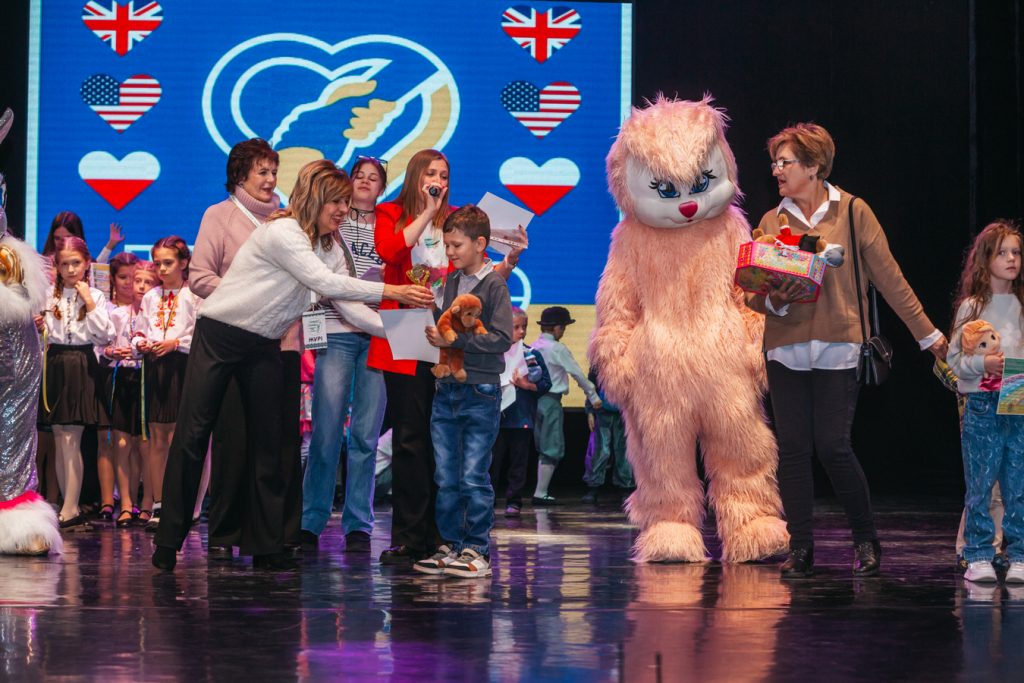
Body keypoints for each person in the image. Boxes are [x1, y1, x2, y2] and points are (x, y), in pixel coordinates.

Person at [151, 160, 432, 572]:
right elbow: (325, 283)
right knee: (194, 435)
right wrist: (393, 290)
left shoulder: (330, 247)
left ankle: (267, 544)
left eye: (345, 202)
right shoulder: (284, 231)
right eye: (336, 201)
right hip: (220, 335)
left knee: (269, 444)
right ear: (316, 198)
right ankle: (168, 541)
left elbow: (349, 306)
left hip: (265, 343)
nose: (343, 209)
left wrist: (404, 331)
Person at [748, 123, 947, 578]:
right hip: (785, 349)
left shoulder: (854, 212)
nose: (776, 170)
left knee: (833, 446)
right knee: (793, 450)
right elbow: (752, 294)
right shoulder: (771, 222)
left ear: (813, 166)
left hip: (839, 346)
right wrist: (775, 298)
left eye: (785, 162)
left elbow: (890, 280)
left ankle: (866, 539)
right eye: (774, 163)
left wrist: (929, 335)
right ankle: (801, 547)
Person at [370, 149, 523, 565]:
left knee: (448, 448)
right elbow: (391, 252)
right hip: (407, 336)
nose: (438, 180)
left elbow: (479, 282)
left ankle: (447, 539)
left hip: (450, 345)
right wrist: (427, 211)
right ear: (415, 177)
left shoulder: (459, 221)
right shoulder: (390, 213)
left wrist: (509, 261)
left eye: (444, 174)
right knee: (409, 440)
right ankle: (409, 537)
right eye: (430, 173)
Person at [190, 138, 282, 559]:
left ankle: (267, 538)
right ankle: (224, 534)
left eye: (273, 171)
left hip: (274, 341)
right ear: (240, 175)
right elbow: (199, 277)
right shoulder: (219, 215)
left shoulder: (285, 221)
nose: (271, 179)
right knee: (231, 440)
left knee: (270, 444)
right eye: (262, 171)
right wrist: (249, 296)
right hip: (227, 342)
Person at [414, 205, 513, 577]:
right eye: (447, 245)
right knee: (446, 475)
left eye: (456, 245)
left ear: (480, 244)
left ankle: (476, 549)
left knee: (473, 474)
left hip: (480, 391)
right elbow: (445, 327)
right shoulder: (452, 281)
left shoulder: (494, 285)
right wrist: (429, 318)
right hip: (447, 388)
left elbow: (501, 338)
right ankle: (450, 544)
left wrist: (455, 340)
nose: (450, 252)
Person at [301, 156, 389, 553]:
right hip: (336, 330)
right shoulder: (331, 221)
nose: (366, 182)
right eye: (359, 176)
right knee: (325, 431)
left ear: (383, 188)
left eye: (374, 178)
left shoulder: (391, 224)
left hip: (378, 335)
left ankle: (359, 523)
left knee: (366, 436)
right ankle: (311, 518)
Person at [946, 219, 1024, 584]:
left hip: (1017, 397)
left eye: (1016, 252)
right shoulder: (972, 307)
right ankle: (978, 553)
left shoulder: (1021, 305)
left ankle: (1018, 552)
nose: (1011, 259)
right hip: (981, 400)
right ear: (985, 259)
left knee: (1017, 482)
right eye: (1002, 252)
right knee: (980, 481)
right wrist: (983, 364)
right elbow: (954, 360)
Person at [39, 236, 115, 529]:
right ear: (56, 266)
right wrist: (38, 326)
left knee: (72, 438)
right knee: (60, 438)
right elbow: (41, 336)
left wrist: (89, 302)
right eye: (64, 264)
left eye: (76, 263)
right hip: (55, 363)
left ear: (86, 264)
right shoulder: (48, 295)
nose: (70, 270)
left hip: (81, 364)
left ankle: (71, 508)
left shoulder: (95, 295)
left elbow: (104, 336)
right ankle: (67, 507)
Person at [132, 236, 199, 532]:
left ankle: (179, 503)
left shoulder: (194, 295)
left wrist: (175, 343)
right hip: (155, 366)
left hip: (182, 366)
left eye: (168, 263)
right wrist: (141, 343)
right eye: (157, 263)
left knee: (177, 439)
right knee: (157, 438)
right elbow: (139, 330)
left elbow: (199, 333)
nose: (161, 269)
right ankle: (159, 503)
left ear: (184, 263)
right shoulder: (151, 296)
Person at [103, 261, 158, 527]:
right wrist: (111, 352)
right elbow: (103, 346)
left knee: (146, 445)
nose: (141, 287)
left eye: (148, 282)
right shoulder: (118, 314)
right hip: (124, 378)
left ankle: (147, 502)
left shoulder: (155, 313)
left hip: (147, 379)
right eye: (138, 281)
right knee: (122, 443)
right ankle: (125, 503)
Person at [529, 306, 602, 505]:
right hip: (551, 401)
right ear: (557, 328)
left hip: (534, 401)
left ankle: (540, 491)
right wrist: (593, 395)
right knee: (552, 446)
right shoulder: (558, 349)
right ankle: (540, 492)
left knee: (543, 445)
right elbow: (577, 373)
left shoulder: (533, 346)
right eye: (563, 328)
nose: (563, 332)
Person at [491, 307, 551, 518]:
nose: (521, 331)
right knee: (492, 462)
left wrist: (527, 386)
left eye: (524, 327)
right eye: (516, 327)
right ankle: (487, 500)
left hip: (521, 417)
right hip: (496, 418)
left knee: (518, 463)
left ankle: (514, 501)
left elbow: (546, 383)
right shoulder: (493, 354)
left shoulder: (531, 354)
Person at [95, 250, 139, 523]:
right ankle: (106, 501)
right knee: (105, 439)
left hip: (132, 376)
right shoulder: (106, 308)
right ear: (112, 279)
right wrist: (109, 352)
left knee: (130, 441)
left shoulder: (143, 307)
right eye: (123, 277)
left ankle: (129, 500)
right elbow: (97, 344)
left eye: (133, 277)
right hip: (106, 374)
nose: (129, 283)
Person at [581, 363, 634, 504]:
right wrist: (590, 411)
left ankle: (626, 488)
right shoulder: (598, 364)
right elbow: (591, 387)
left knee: (623, 451)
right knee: (600, 450)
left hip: (623, 414)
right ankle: (593, 487)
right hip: (602, 412)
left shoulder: (627, 361)